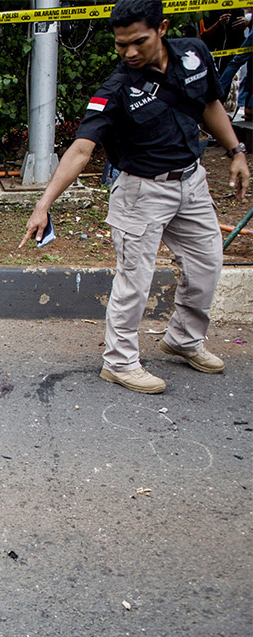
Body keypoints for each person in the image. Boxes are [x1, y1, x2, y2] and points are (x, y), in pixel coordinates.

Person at [22, 0, 249, 395]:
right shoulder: (115, 89)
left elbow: (209, 104)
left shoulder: (194, 53)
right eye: (120, 44)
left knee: (208, 263)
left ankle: (183, 339)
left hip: (191, 181)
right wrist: (43, 205)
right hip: (141, 190)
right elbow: (80, 150)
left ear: (161, 29)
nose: (129, 52)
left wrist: (236, 151)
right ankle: (120, 362)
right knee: (135, 280)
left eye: (138, 42)